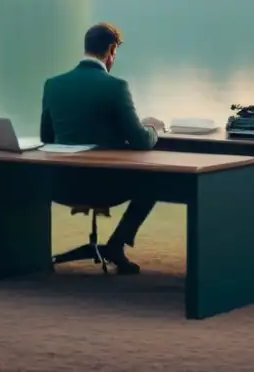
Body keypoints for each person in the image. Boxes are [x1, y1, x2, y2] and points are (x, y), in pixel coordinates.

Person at [40, 22, 166, 274]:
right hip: (105, 187)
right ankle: (116, 245)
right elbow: (141, 141)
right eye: (115, 51)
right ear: (111, 50)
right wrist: (154, 129)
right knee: (156, 180)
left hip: (60, 186)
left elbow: (47, 137)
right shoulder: (116, 87)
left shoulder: (52, 84)